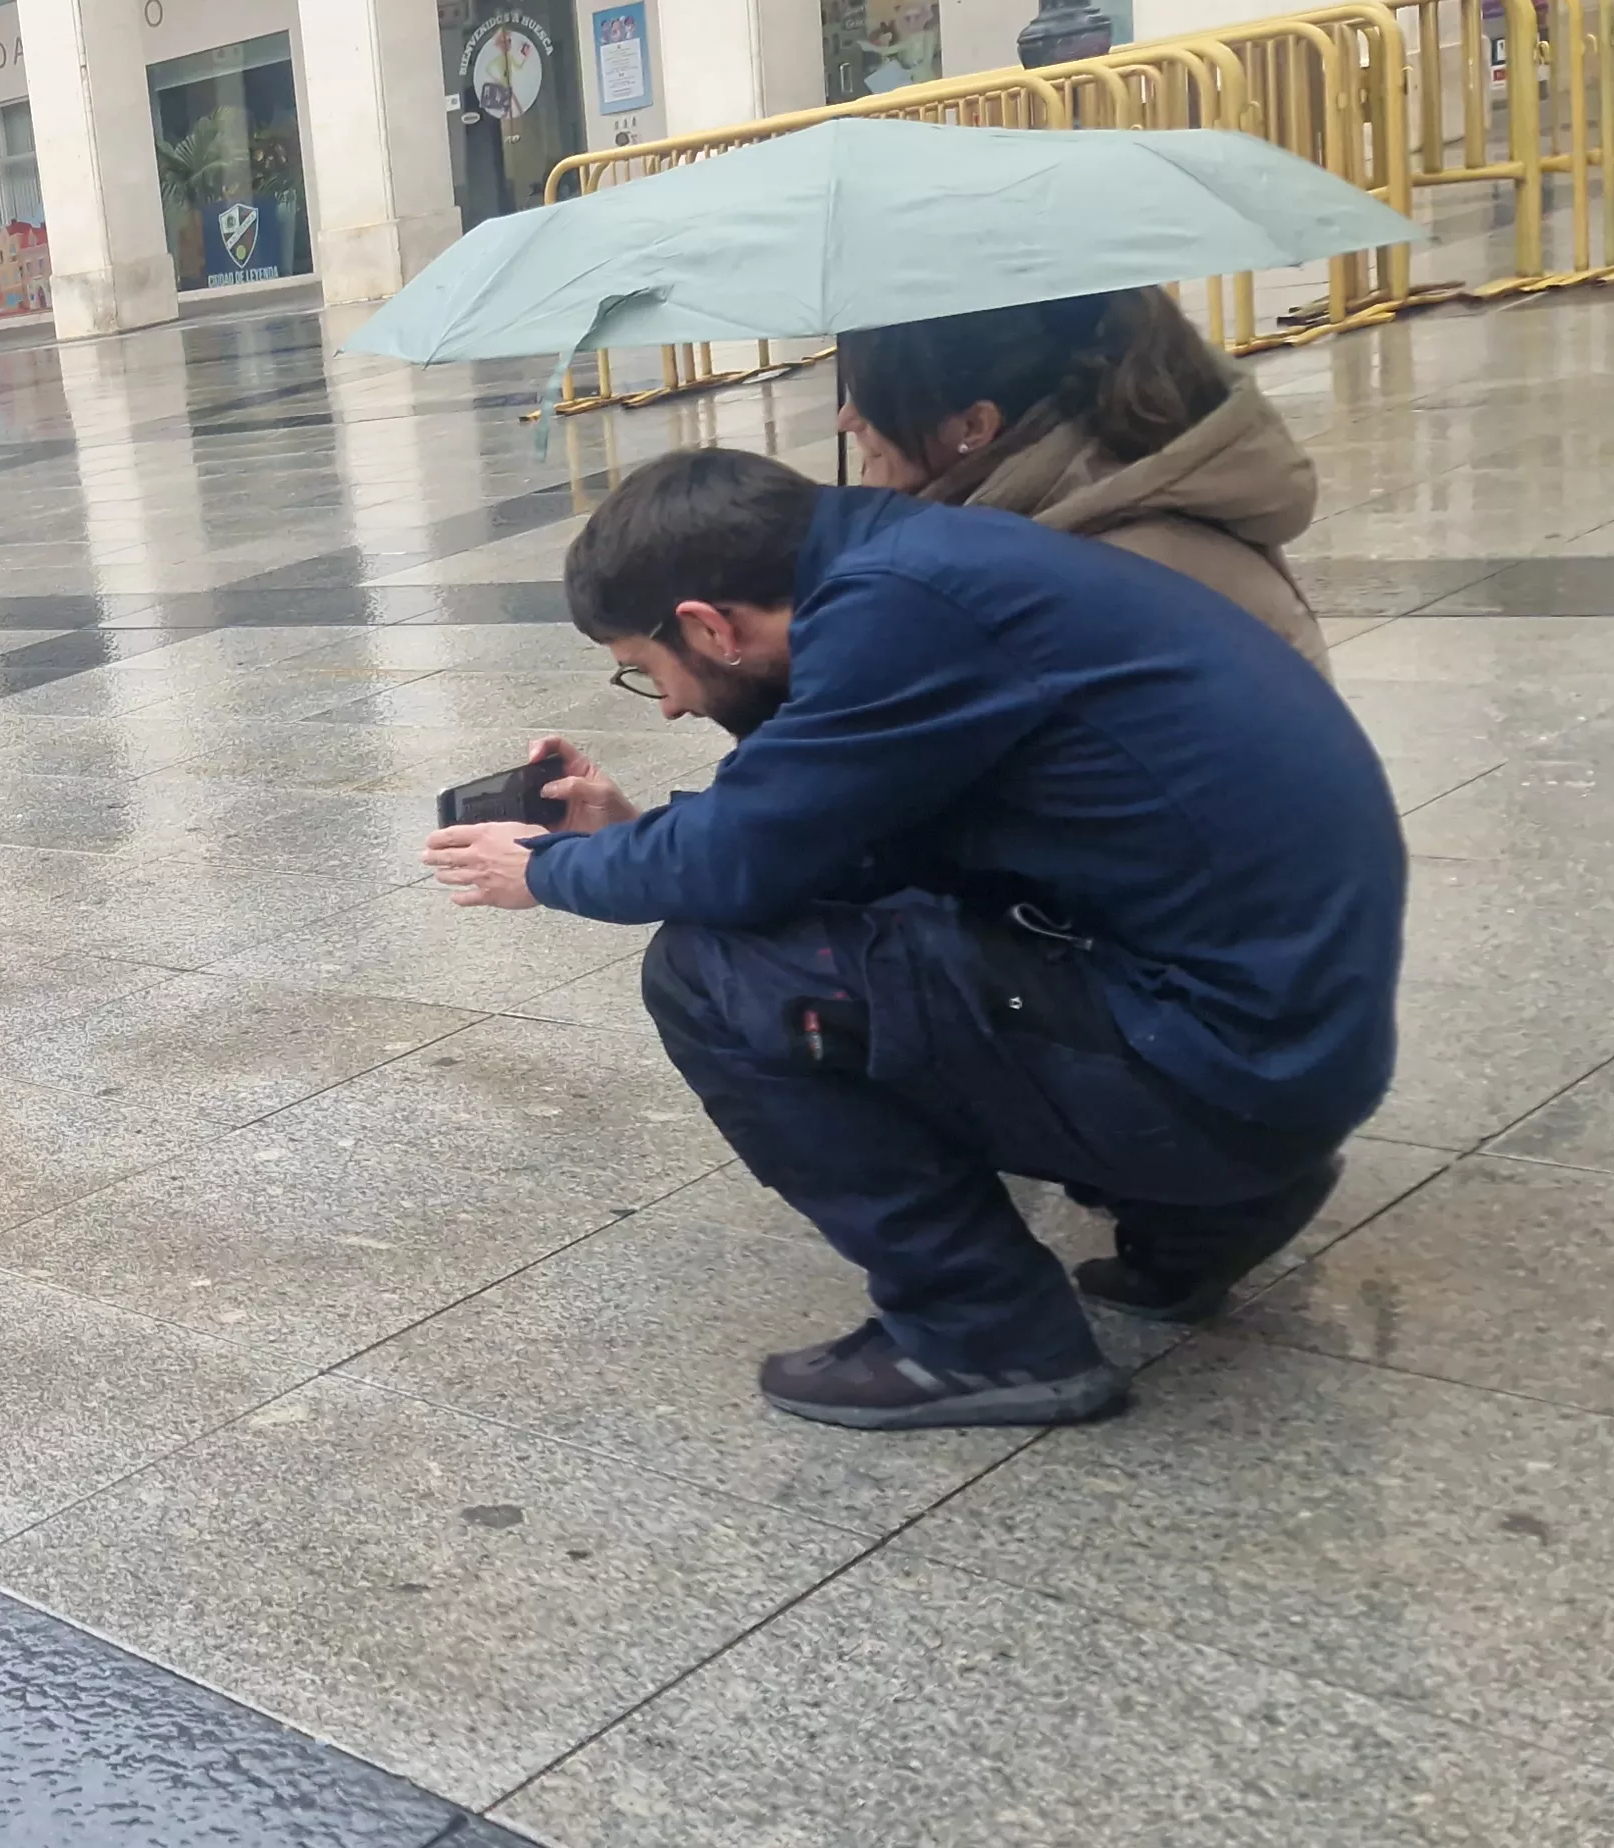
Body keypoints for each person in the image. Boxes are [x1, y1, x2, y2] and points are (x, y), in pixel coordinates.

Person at [419, 448, 1402, 1431]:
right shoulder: (925, 563)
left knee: (710, 973)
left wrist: (545, 870)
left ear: (707, 626)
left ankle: (983, 1337)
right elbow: (838, 837)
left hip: (1224, 1070)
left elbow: (739, 865)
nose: (670, 704)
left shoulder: (899, 615)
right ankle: (1201, 1213)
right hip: (1283, 1043)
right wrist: (636, 837)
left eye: (648, 673)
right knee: (853, 915)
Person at [838, 286, 1326, 665]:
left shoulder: (1091, 575)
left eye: (871, 402)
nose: (846, 420)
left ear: (974, 426)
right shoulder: (1073, 502)